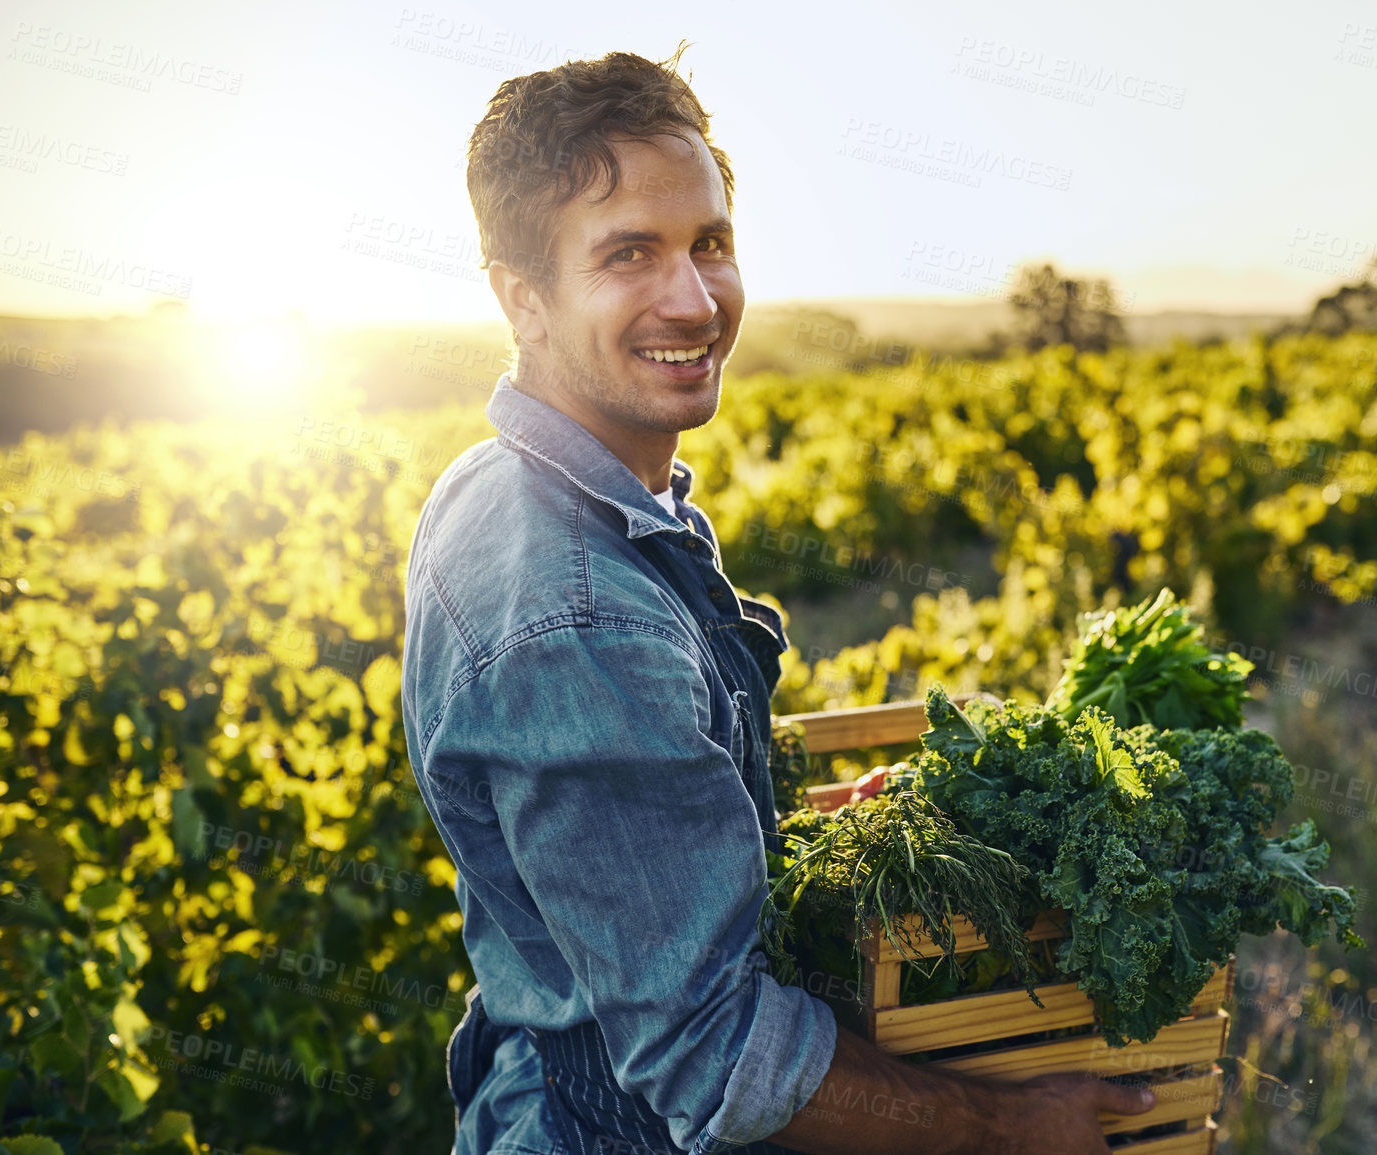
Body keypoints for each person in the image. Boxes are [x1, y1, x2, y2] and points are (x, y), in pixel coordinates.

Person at [399, 42, 1155, 1155]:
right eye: (628, 255)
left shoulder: (508, 482)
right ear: (525, 299)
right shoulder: (578, 610)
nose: (694, 298)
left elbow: (603, 870)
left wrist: (766, 836)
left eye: (710, 242)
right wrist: (1008, 1129)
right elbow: (714, 1058)